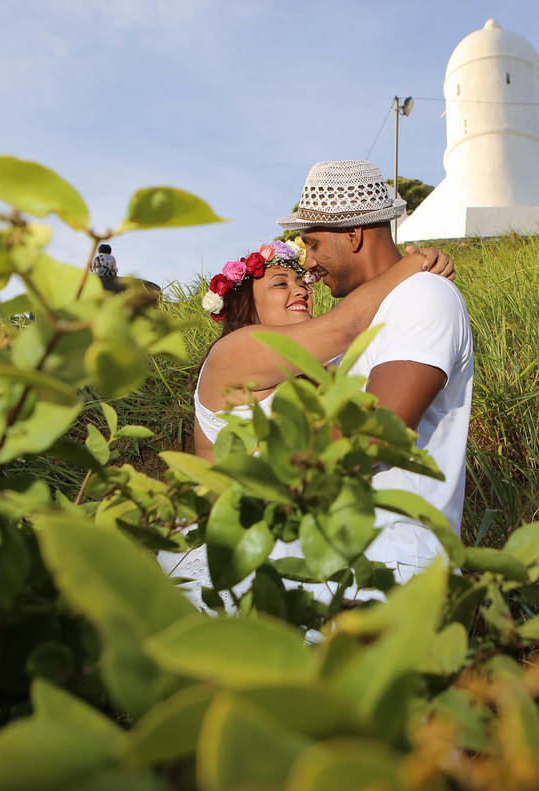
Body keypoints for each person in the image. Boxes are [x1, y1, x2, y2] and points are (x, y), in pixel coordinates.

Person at [156, 234, 455, 607]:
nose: (300, 290)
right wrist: (413, 264)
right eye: (280, 283)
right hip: (227, 545)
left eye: (302, 282)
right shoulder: (235, 350)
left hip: (286, 542)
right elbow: (346, 326)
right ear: (244, 303)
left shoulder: (315, 373)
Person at [275, 159, 473, 583]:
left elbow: (376, 434)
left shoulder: (423, 294)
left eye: (312, 244)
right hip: (348, 556)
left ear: (353, 233)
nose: (307, 263)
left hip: (391, 558)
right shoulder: (374, 319)